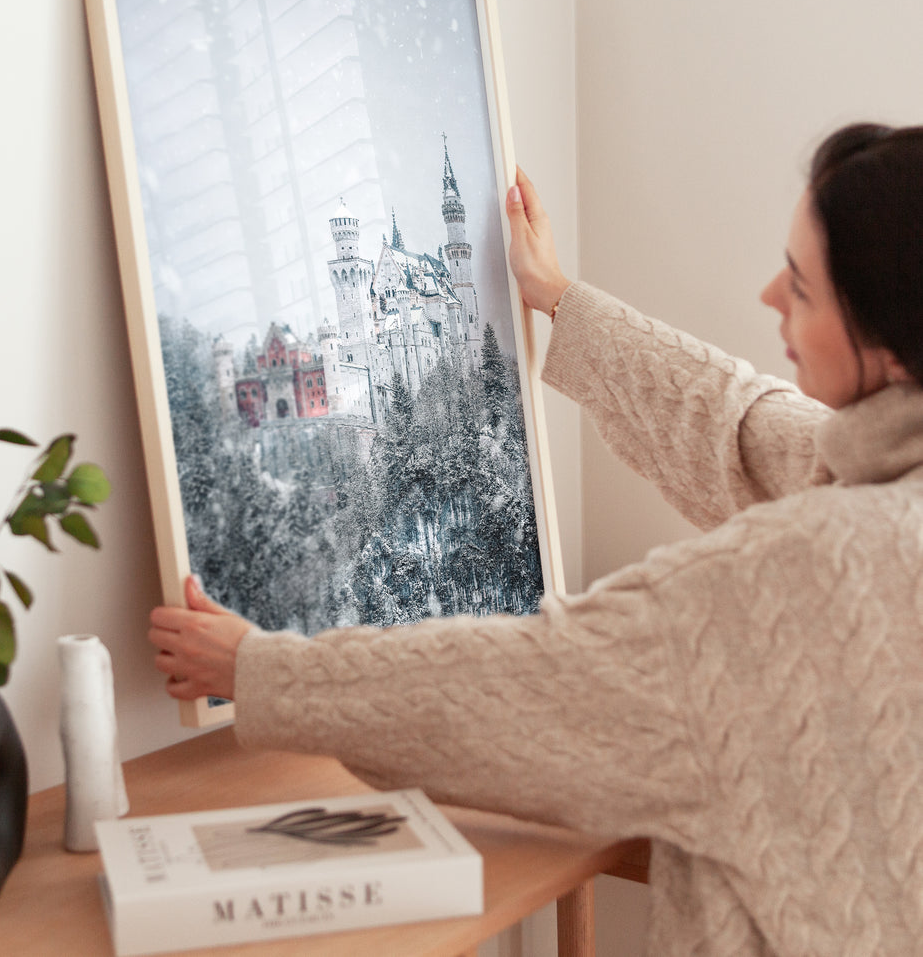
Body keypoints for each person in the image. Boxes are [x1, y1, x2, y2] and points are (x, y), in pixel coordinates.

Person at [148, 123, 923, 956]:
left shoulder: (800, 574)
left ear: (887, 344)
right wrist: (558, 297)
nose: (770, 295)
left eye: (802, 288)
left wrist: (260, 670)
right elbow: (739, 425)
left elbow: (526, 684)